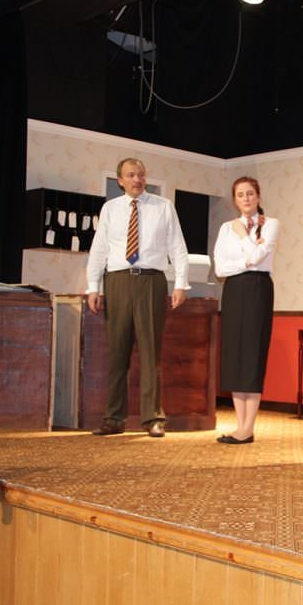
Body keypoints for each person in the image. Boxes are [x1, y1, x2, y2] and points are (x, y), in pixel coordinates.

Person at [86, 157, 190, 438]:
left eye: (141, 175)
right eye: (131, 175)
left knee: (150, 352)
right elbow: (99, 249)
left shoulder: (163, 207)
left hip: (151, 281)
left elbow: (178, 247)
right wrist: (93, 286)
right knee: (117, 352)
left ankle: (153, 418)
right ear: (120, 180)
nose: (137, 179)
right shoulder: (110, 209)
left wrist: (181, 283)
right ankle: (113, 418)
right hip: (117, 281)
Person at [213, 176, 280, 443]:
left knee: (252, 354)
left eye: (250, 193)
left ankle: (248, 427)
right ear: (235, 200)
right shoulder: (225, 228)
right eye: (240, 195)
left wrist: (243, 238)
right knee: (235, 355)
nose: (246, 199)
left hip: (258, 289)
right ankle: (240, 425)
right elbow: (220, 269)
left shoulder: (270, 224)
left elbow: (258, 258)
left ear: (258, 196)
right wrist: (246, 260)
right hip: (233, 291)